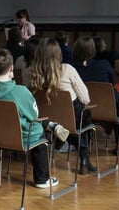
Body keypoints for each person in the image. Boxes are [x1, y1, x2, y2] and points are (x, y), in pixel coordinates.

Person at [0, 49, 59, 188]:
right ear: (11, 68)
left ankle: (51, 125)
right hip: (19, 137)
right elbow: (34, 115)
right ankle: (42, 179)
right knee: (38, 132)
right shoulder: (21, 92)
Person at [27, 38, 95, 173]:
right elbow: (85, 98)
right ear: (58, 54)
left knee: (74, 116)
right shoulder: (68, 69)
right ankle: (84, 158)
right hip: (72, 118)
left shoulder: (31, 73)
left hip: (46, 119)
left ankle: (60, 140)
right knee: (85, 115)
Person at [72, 36, 119, 155]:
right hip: (107, 107)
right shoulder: (104, 65)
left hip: (83, 109)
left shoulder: (71, 68)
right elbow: (112, 84)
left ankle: (94, 135)